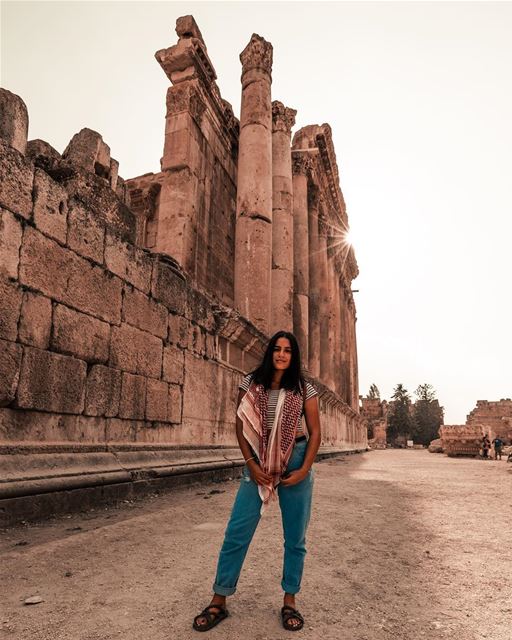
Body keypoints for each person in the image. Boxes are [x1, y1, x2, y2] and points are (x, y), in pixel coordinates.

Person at [193, 331, 321, 632]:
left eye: (287, 351)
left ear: (294, 356)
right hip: (258, 460)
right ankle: (219, 599)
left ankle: (290, 601)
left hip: (296, 459)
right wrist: (251, 465)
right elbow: (240, 427)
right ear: (270, 352)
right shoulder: (250, 382)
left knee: (295, 538)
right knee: (237, 531)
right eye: (276, 349)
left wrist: (303, 471)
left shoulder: (304, 388)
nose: (281, 355)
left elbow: (315, 432)